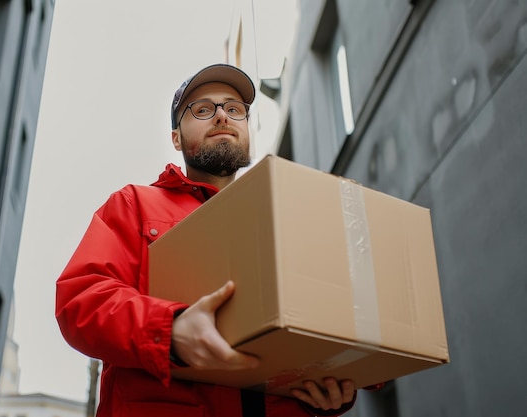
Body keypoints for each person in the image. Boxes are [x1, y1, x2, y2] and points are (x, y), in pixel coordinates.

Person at [55, 63, 360, 417]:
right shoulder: (133, 205)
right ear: (175, 137)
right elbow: (80, 300)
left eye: (234, 109)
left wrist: (327, 388)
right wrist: (169, 331)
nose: (221, 117)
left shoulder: (284, 217)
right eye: (202, 109)